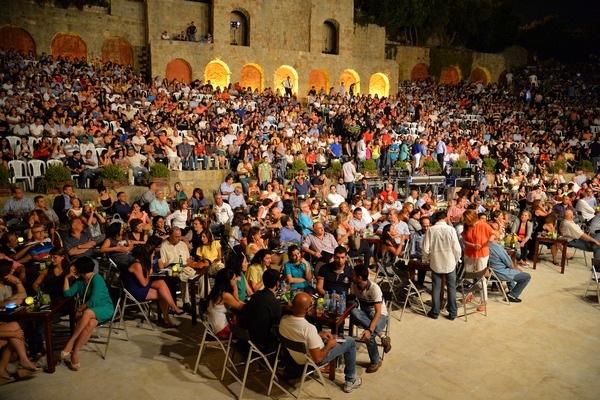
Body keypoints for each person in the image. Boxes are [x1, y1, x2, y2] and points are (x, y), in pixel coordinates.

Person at [279, 292, 362, 393]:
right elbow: (318, 359)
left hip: (297, 355)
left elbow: (300, 336)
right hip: (313, 359)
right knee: (350, 341)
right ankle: (351, 381)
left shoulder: (283, 320)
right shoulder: (309, 329)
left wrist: (318, 335)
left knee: (333, 337)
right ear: (307, 309)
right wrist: (329, 345)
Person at [61, 257, 114, 371]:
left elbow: (94, 300)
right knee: (91, 323)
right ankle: (75, 353)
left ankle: (70, 342)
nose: (73, 270)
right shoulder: (80, 281)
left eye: (74, 268)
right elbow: (67, 293)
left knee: (87, 312)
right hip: (90, 312)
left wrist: (79, 309)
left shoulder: (97, 278)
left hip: (105, 307)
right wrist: (66, 278)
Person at [122, 244, 183, 328]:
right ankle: (171, 311)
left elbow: (146, 280)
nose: (154, 255)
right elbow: (144, 282)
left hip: (140, 286)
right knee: (162, 293)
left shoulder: (141, 262)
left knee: (161, 284)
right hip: (135, 291)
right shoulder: (137, 265)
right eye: (152, 254)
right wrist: (150, 266)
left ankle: (170, 312)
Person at [350, 264, 392, 373]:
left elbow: (378, 313)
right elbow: (353, 299)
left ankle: (375, 361)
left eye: (353, 275)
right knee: (354, 311)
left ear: (359, 277)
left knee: (369, 335)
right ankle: (383, 336)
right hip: (366, 315)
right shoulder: (354, 286)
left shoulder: (374, 288)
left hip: (380, 316)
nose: (351, 276)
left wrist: (369, 330)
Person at [423, 210, 461, 320]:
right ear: (445, 218)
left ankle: (435, 312)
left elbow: (425, 248)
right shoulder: (451, 229)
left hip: (436, 261)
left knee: (436, 287)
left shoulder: (431, 230)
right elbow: (457, 248)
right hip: (450, 261)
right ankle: (453, 312)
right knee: (451, 287)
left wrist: (428, 258)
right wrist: (457, 259)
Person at [488, 223, 532, 302]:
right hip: (499, 273)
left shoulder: (485, 245)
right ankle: (513, 295)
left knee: (510, 269)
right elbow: (509, 263)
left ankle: (511, 290)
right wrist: (517, 269)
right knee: (526, 276)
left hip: (489, 272)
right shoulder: (497, 247)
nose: (500, 233)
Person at [461, 209, 493, 312]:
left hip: (482, 253)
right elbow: (464, 240)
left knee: (480, 277)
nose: (465, 221)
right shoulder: (467, 226)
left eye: (466, 219)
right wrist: (473, 245)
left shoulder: (483, 225)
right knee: (469, 275)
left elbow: (493, 234)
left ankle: (484, 300)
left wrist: (489, 240)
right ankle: (469, 294)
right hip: (469, 252)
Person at [245, 268, 282, 354]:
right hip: (262, 341)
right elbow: (278, 322)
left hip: (249, 337)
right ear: (277, 283)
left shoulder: (255, 295)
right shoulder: (273, 301)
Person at [204, 268, 245, 339]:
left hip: (218, 327)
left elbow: (220, 309)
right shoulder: (225, 295)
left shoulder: (216, 291)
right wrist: (235, 287)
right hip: (223, 331)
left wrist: (232, 314)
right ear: (226, 281)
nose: (236, 280)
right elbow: (241, 307)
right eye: (233, 279)